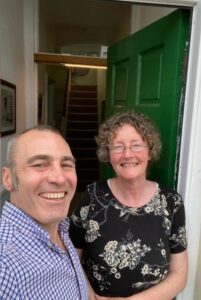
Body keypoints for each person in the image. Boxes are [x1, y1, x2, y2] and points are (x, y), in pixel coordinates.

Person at [69, 110, 188, 300]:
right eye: (117, 147)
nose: (127, 154)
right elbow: (71, 258)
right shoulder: (91, 197)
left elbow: (180, 274)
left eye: (136, 145)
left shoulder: (171, 202)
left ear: (150, 151)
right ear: (108, 155)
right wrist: (89, 295)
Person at [0, 125, 88, 300]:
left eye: (66, 165)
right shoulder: (5, 267)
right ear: (8, 179)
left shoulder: (60, 228)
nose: (59, 178)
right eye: (39, 165)